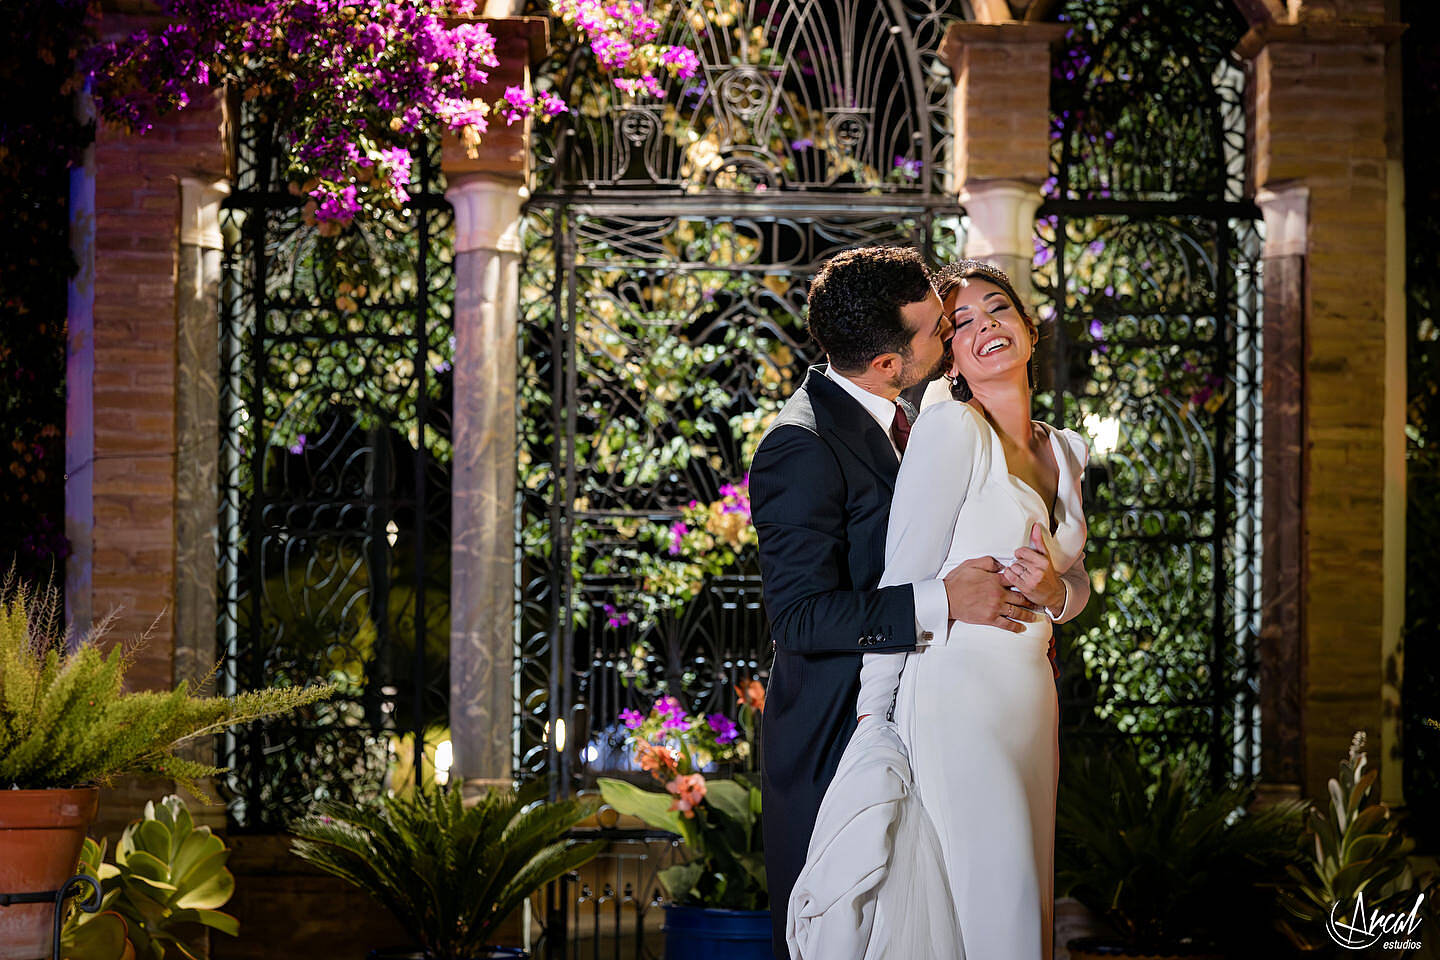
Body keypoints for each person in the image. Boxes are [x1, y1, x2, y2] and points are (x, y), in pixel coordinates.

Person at [748, 247, 1053, 960]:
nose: (954, 337)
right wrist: (938, 600)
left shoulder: (918, 418)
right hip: (837, 732)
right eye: (940, 331)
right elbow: (798, 619)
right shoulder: (802, 446)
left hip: (932, 719)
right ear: (889, 363)